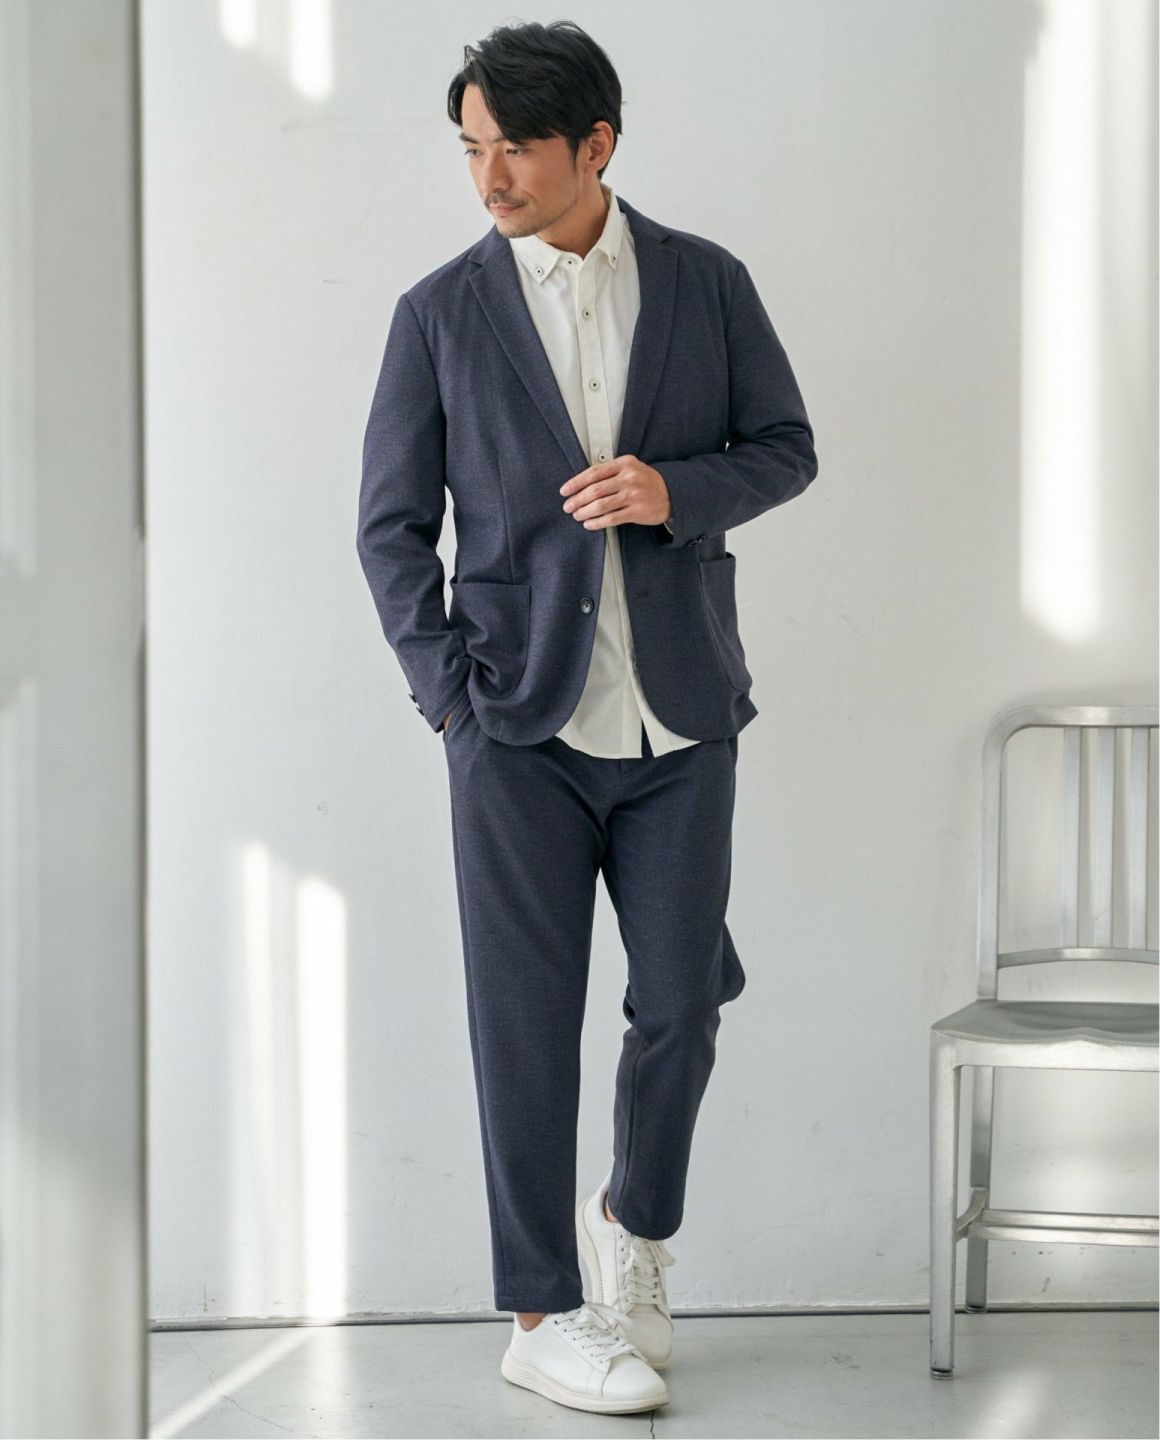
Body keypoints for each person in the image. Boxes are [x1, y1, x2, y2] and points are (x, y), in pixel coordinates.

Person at [356, 18, 817, 1417]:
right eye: (471, 150)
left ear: (596, 145)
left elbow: (785, 447)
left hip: (681, 714)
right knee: (524, 1024)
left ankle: (635, 1223)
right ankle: (541, 1311)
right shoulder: (439, 314)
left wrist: (678, 491)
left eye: (514, 148)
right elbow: (391, 529)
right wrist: (450, 700)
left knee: (682, 1001)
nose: (488, 177)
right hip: (515, 727)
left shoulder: (705, 283)